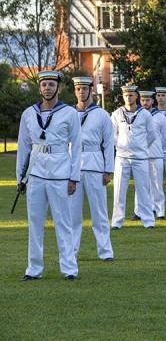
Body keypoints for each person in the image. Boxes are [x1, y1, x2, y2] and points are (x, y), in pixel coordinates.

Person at [17, 71, 82, 281]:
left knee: (63, 222)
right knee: (34, 223)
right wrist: (21, 177)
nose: (47, 88)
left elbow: (77, 146)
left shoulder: (69, 113)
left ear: (59, 88)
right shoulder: (28, 113)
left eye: (51, 84)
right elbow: (23, 146)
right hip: (36, 173)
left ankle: (69, 268)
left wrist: (74, 177)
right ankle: (34, 269)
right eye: (44, 84)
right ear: (39, 88)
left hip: (60, 173)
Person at [69, 76, 114, 262]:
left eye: (85, 88)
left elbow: (109, 143)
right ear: (75, 91)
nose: (81, 92)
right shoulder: (68, 114)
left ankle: (105, 252)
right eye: (78, 89)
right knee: (72, 214)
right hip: (73, 166)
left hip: (95, 163)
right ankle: (71, 252)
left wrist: (108, 169)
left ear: (90, 90)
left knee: (99, 212)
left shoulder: (102, 114)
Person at [110, 85, 157, 229]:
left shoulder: (145, 114)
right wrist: (122, 146)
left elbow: (152, 135)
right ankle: (117, 222)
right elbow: (112, 135)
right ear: (123, 97)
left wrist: (140, 147)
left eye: (131, 95)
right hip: (122, 157)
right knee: (119, 190)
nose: (128, 98)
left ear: (136, 96)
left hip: (140, 157)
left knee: (143, 190)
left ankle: (148, 221)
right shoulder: (117, 113)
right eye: (126, 95)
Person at [136, 90, 166, 219]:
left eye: (148, 100)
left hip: (156, 155)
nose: (145, 103)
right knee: (140, 185)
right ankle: (138, 211)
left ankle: (160, 211)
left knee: (157, 185)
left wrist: (158, 147)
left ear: (152, 101)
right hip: (140, 156)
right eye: (143, 100)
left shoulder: (160, 117)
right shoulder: (137, 116)